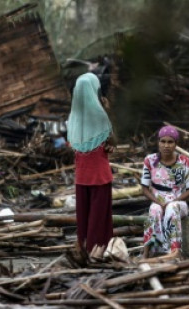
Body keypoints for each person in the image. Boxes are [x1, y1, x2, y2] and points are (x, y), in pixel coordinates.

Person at [67, 72, 116, 261]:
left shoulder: (74, 118)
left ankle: (85, 249)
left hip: (82, 177)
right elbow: (112, 141)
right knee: (99, 219)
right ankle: (97, 252)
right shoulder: (100, 115)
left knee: (84, 218)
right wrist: (107, 111)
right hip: (100, 176)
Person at [140, 126, 189, 259]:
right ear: (158, 142)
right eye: (163, 141)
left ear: (176, 144)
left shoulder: (184, 161)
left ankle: (174, 251)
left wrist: (174, 201)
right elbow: (144, 188)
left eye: (170, 142)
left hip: (178, 202)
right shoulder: (150, 161)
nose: (166, 145)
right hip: (157, 200)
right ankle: (148, 251)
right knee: (154, 209)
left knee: (171, 208)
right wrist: (158, 202)